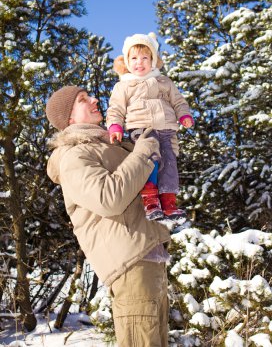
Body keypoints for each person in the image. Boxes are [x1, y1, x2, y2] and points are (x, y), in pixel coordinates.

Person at [45, 86, 171, 347]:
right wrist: (142, 153)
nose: (94, 99)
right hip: (130, 264)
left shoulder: (108, 147)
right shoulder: (74, 155)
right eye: (82, 100)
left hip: (150, 257)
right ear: (69, 119)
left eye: (90, 95)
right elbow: (108, 199)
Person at [106, 32, 194, 221]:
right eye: (134, 58)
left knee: (169, 164)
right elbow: (116, 108)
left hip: (167, 129)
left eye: (145, 57)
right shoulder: (124, 86)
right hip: (141, 129)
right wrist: (115, 127)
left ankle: (169, 203)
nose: (140, 62)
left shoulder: (164, 82)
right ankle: (151, 200)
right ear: (127, 61)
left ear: (153, 60)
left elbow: (178, 101)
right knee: (150, 161)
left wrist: (184, 115)